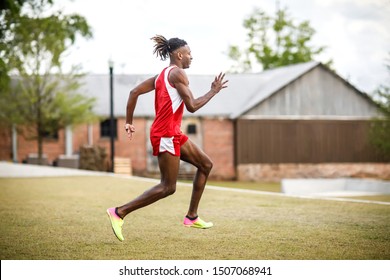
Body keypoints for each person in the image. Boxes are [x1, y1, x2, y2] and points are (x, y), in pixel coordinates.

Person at [107, 35, 228, 241]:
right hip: (166, 134)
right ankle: (119, 212)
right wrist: (213, 91)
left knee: (205, 165)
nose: (192, 57)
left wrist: (129, 121)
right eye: (189, 53)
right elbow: (192, 106)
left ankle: (192, 216)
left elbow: (134, 92)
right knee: (167, 187)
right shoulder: (178, 74)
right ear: (179, 55)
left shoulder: (161, 75)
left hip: (173, 132)